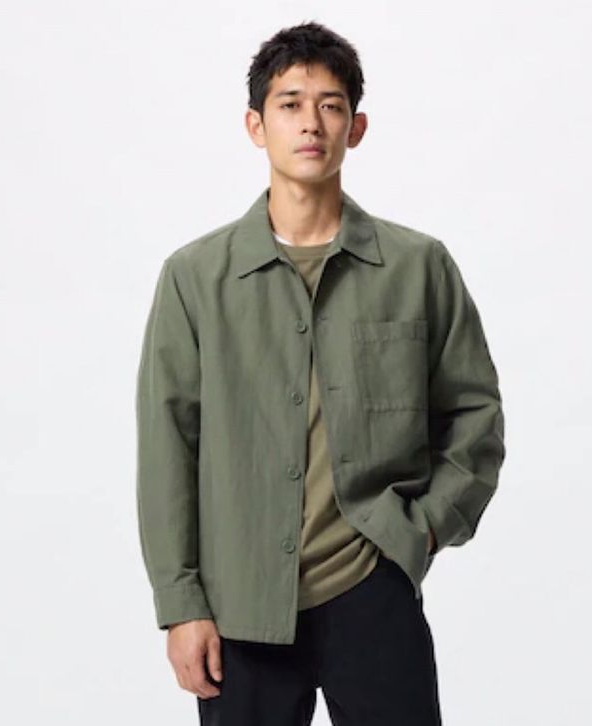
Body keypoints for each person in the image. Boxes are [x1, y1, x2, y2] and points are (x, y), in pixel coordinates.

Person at [135, 20, 506, 726]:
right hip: (238, 606)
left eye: (331, 105)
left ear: (355, 128)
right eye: (290, 103)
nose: (311, 122)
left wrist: (424, 530)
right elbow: (168, 448)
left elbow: (475, 416)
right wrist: (181, 606)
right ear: (256, 125)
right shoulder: (194, 278)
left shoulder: (417, 267)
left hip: (372, 587)